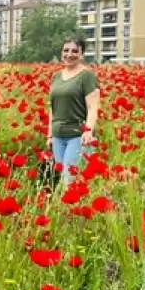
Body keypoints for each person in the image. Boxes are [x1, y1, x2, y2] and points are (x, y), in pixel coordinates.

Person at [46, 37, 100, 185]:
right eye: (66, 50)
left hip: (77, 135)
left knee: (70, 180)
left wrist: (88, 130)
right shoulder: (56, 76)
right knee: (64, 178)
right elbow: (52, 107)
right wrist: (49, 135)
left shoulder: (86, 76)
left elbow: (93, 106)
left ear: (81, 54)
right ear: (61, 52)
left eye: (75, 51)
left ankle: (67, 207)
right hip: (58, 136)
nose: (70, 54)